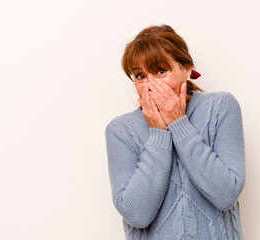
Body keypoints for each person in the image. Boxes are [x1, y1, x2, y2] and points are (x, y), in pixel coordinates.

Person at [105, 24, 246, 240]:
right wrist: (159, 134)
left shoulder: (220, 107)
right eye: (140, 76)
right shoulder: (121, 130)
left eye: (161, 71)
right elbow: (137, 214)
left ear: (187, 69)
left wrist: (179, 124)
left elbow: (226, 195)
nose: (150, 85)